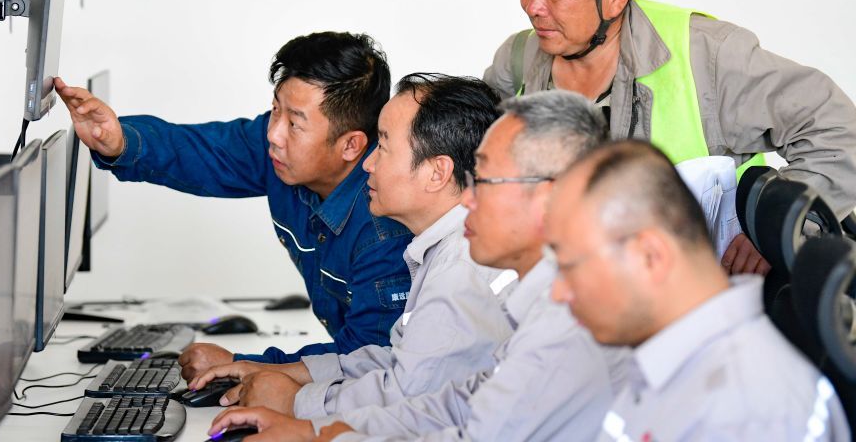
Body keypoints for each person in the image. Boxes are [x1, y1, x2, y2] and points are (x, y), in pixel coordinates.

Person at [482, 0, 856, 277]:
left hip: (717, 298)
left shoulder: (708, 56)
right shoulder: (518, 60)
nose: (533, 6)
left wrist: (778, 230)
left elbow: (838, 130)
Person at [205, 91, 626, 442]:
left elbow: (441, 411)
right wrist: (315, 428)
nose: (469, 198)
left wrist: (309, 417)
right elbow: (455, 401)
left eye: (487, 181)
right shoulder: (535, 302)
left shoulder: (478, 277)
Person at [54, 31, 413, 375]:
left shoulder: (384, 229)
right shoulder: (282, 154)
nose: (273, 134)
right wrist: (119, 141)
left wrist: (242, 364)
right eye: (275, 111)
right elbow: (204, 151)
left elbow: (368, 361)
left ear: (351, 145)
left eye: (295, 123)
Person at [187, 74, 517, 417]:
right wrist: (279, 371)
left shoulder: (462, 271)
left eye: (384, 147)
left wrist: (295, 402)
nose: (368, 164)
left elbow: (408, 399)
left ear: (437, 172)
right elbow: (396, 360)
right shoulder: (448, 249)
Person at [547, 140, 851, 441]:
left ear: (651, 256)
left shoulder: (746, 417)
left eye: (571, 267)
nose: (559, 293)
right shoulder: (674, 364)